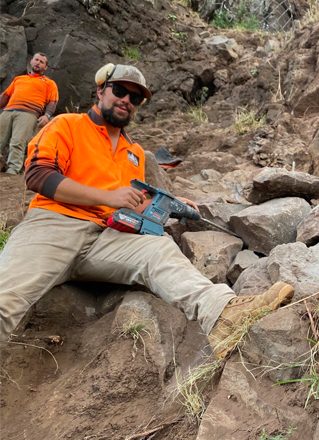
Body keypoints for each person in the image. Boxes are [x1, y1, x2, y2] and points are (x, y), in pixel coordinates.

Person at [0, 63, 293, 359]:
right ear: (101, 90)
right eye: (120, 90)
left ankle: (222, 315)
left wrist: (171, 203)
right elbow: (38, 176)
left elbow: (129, 200)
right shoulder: (67, 124)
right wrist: (107, 196)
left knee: (158, 249)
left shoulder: (134, 153)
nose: (126, 100)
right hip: (53, 225)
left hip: (106, 238)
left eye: (135, 98)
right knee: (4, 301)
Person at [0, 53, 59, 174]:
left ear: (45, 67)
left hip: (28, 113)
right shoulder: (19, 79)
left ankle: (12, 170)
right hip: (8, 111)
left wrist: (46, 116)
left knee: (17, 142)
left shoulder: (49, 83)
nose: (38, 63)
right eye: (36, 60)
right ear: (31, 61)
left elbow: (53, 101)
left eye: (41, 62)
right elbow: (5, 96)